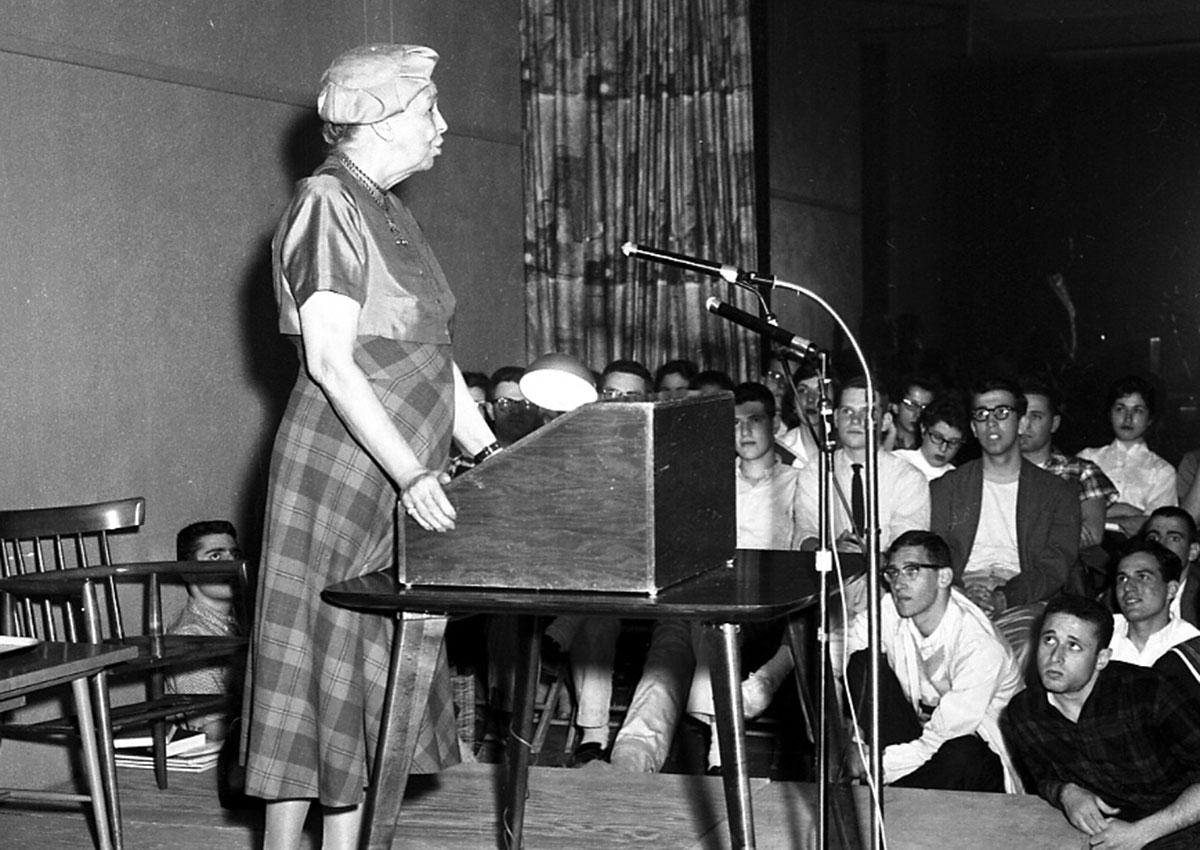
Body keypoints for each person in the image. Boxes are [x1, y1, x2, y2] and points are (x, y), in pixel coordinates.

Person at [243, 43, 498, 850]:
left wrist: (495, 457)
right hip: (344, 467)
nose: (443, 125)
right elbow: (328, 359)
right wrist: (413, 469)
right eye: (429, 110)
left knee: (364, 664)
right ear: (381, 120)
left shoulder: (389, 207)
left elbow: (435, 357)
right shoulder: (327, 202)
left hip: (398, 469)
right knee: (318, 661)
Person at [1002, 595, 1200, 850]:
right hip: (1102, 833)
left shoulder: (1150, 693)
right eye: (1049, 640)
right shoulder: (1025, 711)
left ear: (1101, 659)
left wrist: (1141, 833)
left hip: (1180, 823)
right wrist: (1066, 793)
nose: (1055, 657)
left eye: (1074, 646)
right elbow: (1042, 776)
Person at [843, 531, 1022, 791]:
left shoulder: (979, 646)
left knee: (963, 752)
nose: (899, 584)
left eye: (912, 571)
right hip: (919, 739)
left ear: (944, 577)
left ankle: (890, 806)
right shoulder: (894, 608)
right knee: (862, 663)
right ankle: (895, 797)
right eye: (893, 573)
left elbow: (945, 737)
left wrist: (870, 763)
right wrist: (851, 735)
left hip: (979, 760)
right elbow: (852, 644)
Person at [544, 358, 652, 765]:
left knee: (598, 603)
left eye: (631, 397)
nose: (618, 403)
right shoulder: (572, 446)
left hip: (642, 578)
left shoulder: (659, 448)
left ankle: (560, 633)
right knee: (599, 616)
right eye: (611, 394)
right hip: (585, 578)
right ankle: (593, 735)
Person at [930, 379, 1079, 627]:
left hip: (1025, 600)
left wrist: (1004, 597)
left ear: (1021, 423)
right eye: (981, 414)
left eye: (1002, 412)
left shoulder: (1058, 493)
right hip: (957, 595)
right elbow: (935, 555)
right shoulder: (946, 488)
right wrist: (960, 592)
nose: (991, 423)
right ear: (973, 428)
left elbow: (1055, 566)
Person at [795, 376, 931, 554]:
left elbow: (908, 550)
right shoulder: (816, 471)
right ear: (835, 418)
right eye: (847, 411)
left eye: (868, 412)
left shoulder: (909, 479)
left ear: (886, 422)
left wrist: (868, 559)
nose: (856, 420)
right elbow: (805, 534)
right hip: (831, 577)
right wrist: (830, 550)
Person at [166, 520, 244, 742]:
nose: (232, 565)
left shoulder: (238, 624)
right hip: (210, 763)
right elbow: (213, 730)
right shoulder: (190, 637)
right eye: (216, 556)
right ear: (188, 572)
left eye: (235, 555)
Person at [1078, 375, 1177, 539]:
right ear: (1109, 414)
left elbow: (1156, 527)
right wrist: (1126, 511)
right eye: (1120, 409)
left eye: (1138, 410)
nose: (1128, 418)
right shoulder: (1088, 458)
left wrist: (1096, 512)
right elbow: (1069, 513)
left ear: (1150, 418)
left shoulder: (1162, 471)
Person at [1108, 539, 1199, 666]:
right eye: (1122, 578)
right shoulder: (1103, 634)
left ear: (1171, 590)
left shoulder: (1190, 645)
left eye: (1143, 577)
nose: (1128, 587)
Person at [1143, 507, 1200, 628]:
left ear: (1192, 551)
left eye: (1174, 539)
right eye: (1153, 538)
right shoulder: (1127, 585)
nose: (1161, 545)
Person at [894, 396, 968, 481]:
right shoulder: (898, 462)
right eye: (937, 437)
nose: (943, 449)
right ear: (923, 429)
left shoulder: (959, 481)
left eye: (953, 442)